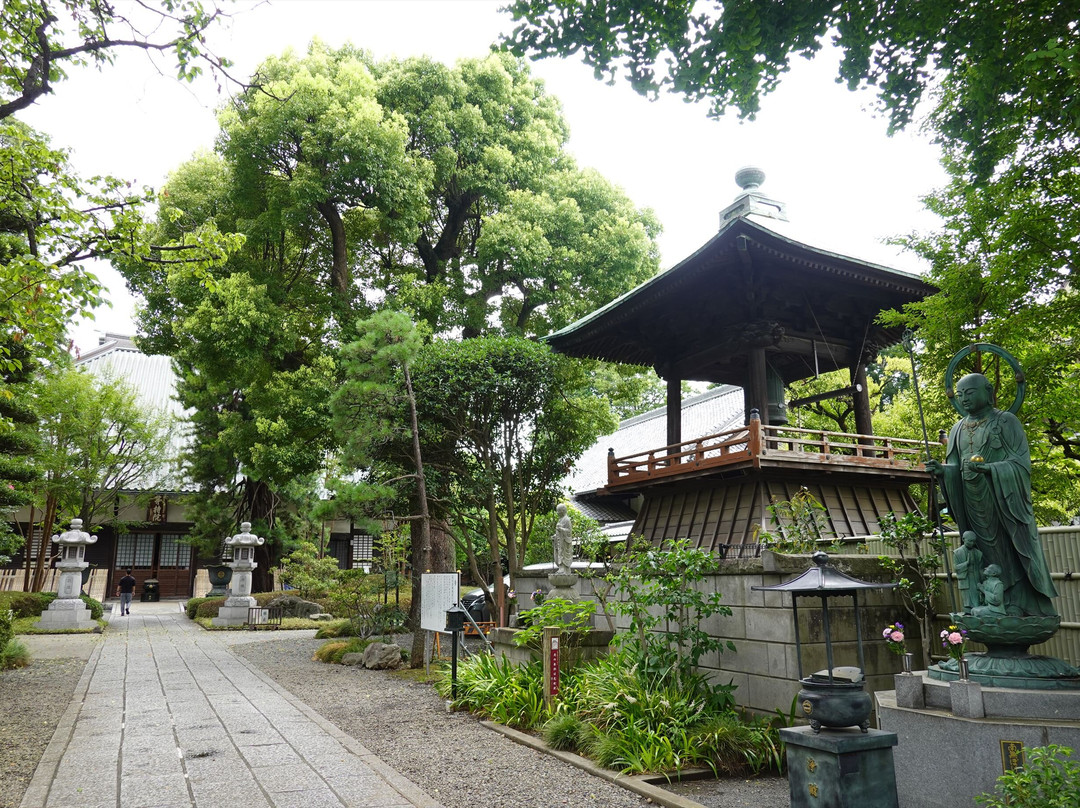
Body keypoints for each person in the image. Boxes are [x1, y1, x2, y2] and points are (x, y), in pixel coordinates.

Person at [926, 373, 1057, 617]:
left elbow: (1020, 464)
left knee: (1008, 545)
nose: (965, 399)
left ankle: (1017, 601)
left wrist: (991, 469)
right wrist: (942, 471)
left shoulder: (1006, 421)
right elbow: (954, 466)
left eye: (971, 392)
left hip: (1002, 499)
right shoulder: (957, 429)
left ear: (988, 392)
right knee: (980, 549)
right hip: (970, 500)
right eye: (961, 394)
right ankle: (991, 600)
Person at [954, 531, 984, 613]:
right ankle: (968, 612)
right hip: (966, 578)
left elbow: (980, 568)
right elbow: (956, 568)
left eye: (974, 541)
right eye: (970, 541)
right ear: (963, 539)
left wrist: (983, 579)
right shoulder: (957, 552)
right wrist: (966, 564)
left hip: (976, 578)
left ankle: (977, 612)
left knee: (977, 598)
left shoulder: (978, 553)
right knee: (967, 600)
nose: (972, 543)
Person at [553, 503, 573, 575]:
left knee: (563, 554)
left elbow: (569, 531)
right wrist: (555, 536)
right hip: (559, 541)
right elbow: (558, 532)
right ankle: (561, 567)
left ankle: (564, 568)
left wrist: (561, 529)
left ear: (563, 511)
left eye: (558, 511)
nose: (557, 512)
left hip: (565, 541)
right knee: (559, 553)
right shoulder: (560, 520)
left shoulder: (567, 520)